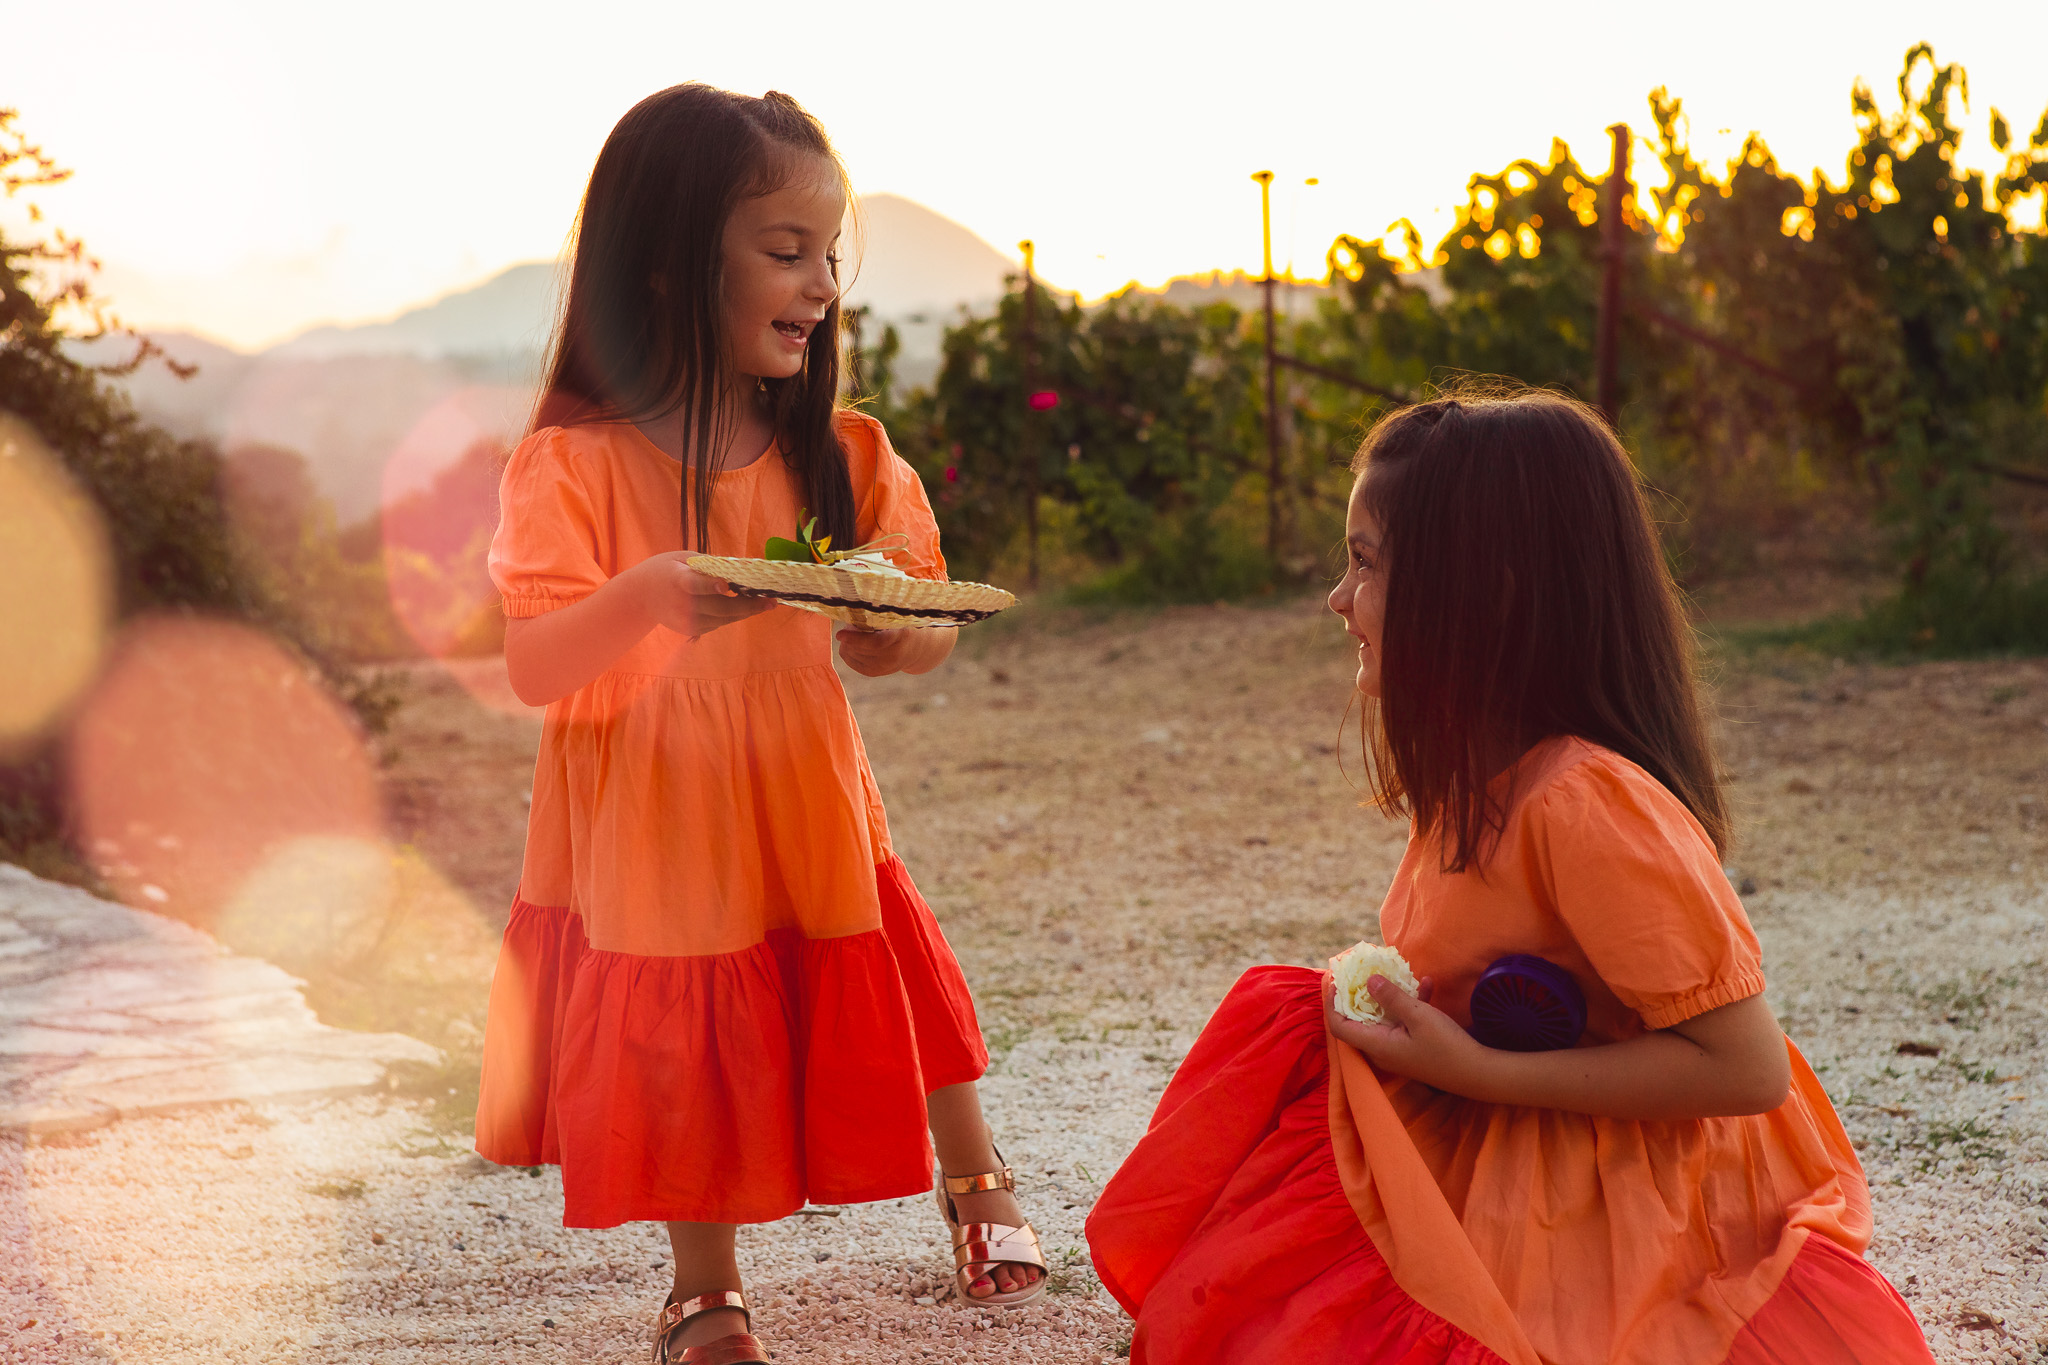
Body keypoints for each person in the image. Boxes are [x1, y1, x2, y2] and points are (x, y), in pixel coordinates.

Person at [1084, 389, 1933, 1364]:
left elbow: (1741, 1068)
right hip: (1507, 1148)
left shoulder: (1586, 805)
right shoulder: (1474, 782)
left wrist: (1474, 1069)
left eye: (1362, 562)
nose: (1335, 598)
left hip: (1621, 1204)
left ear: (1483, 593)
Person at [471, 84, 1045, 1365]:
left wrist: (898, 632)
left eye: (828, 254)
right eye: (785, 252)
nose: (821, 285)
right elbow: (533, 663)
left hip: (798, 782)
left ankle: (972, 1171)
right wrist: (651, 596)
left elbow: (922, 614)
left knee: (881, 970)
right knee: (680, 1028)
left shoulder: (837, 451)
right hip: (651, 817)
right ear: (671, 265)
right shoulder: (571, 466)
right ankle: (705, 1287)